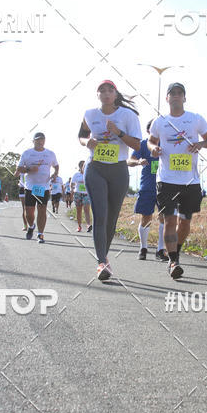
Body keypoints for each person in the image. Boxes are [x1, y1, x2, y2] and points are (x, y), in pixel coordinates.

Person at [148, 83, 207, 280]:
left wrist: (201, 144)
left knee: (185, 223)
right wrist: (153, 148)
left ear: (185, 98)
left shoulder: (195, 119)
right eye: (172, 94)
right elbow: (151, 140)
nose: (176, 96)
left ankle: (174, 251)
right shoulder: (159, 122)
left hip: (190, 181)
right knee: (170, 220)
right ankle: (174, 261)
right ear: (167, 99)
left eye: (179, 93)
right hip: (166, 180)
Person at [79, 79, 141, 280]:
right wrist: (87, 142)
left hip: (118, 169)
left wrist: (119, 133)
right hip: (95, 168)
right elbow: (80, 135)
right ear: (97, 95)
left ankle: (103, 256)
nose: (106, 93)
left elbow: (137, 146)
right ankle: (101, 263)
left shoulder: (127, 115)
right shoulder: (90, 114)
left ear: (115, 94)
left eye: (110, 90)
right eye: (101, 90)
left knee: (112, 218)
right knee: (101, 215)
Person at [128, 120, 168, 261]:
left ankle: (160, 250)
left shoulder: (167, 144)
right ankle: (143, 248)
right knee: (146, 217)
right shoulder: (143, 145)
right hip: (148, 186)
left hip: (165, 186)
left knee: (165, 217)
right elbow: (129, 160)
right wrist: (138, 162)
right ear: (149, 132)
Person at [14, 133, 58, 244]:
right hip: (30, 187)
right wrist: (29, 169)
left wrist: (55, 174)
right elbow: (18, 169)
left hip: (44, 187)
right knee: (29, 212)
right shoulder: (27, 153)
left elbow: (56, 166)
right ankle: (31, 226)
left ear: (45, 141)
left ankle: (40, 234)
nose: (40, 142)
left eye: (42, 139)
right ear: (33, 141)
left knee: (42, 209)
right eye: (38, 140)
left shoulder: (50, 154)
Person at [71, 160, 92, 233]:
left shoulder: (89, 174)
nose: (84, 166)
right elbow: (72, 183)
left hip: (86, 194)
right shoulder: (76, 174)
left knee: (86, 209)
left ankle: (88, 225)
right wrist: (72, 189)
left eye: (85, 165)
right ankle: (79, 226)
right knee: (79, 211)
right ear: (80, 166)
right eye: (82, 165)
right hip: (78, 193)